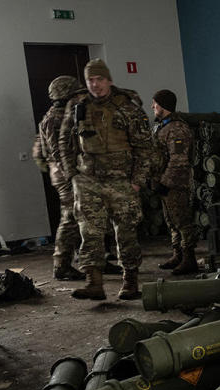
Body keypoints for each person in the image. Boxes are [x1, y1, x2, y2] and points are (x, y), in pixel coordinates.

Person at [59, 58, 151, 300]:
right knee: (89, 232)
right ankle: (94, 283)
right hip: (87, 180)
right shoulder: (77, 106)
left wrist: (137, 180)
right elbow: (64, 143)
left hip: (121, 180)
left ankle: (130, 281)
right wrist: (72, 175)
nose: (95, 85)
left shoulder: (128, 107)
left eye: (100, 79)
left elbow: (145, 147)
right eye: (91, 80)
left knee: (126, 231)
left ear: (109, 80)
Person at [32, 75, 84, 280]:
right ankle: (61, 265)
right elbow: (58, 152)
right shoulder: (55, 118)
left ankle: (91, 259)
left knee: (84, 217)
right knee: (70, 217)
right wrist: (71, 176)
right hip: (65, 175)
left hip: (68, 172)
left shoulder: (64, 115)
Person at [151, 89, 199, 274]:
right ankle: (177, 254)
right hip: (164, 182)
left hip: (175, 184)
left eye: (154, 103)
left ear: (163, 105)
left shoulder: (177, 128)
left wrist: (166, 183)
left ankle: (189, 258)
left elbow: (179, 160)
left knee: (182, 222)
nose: (152, 106)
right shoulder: (162, 126)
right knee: (171, 221)